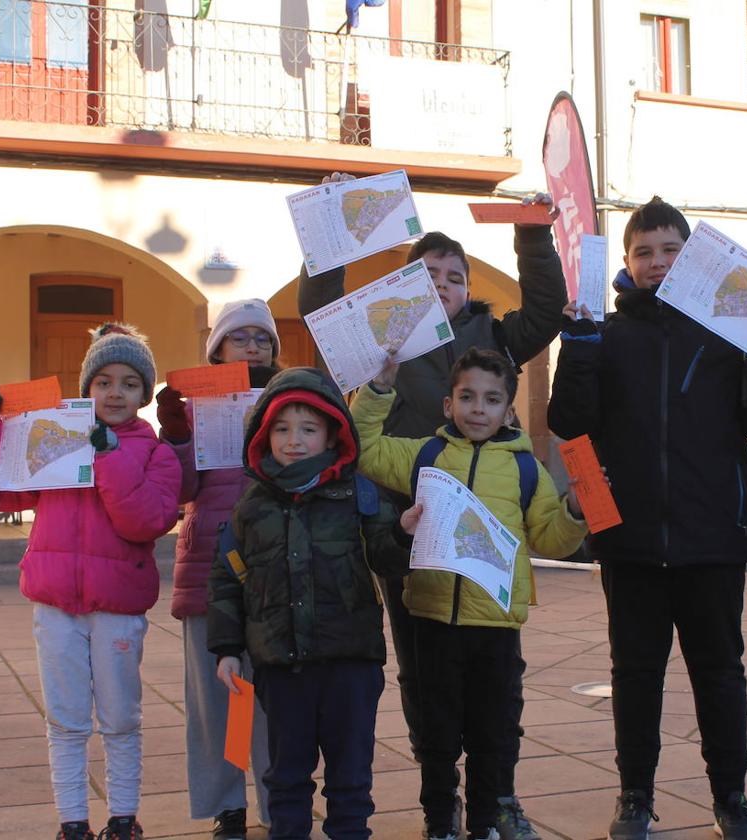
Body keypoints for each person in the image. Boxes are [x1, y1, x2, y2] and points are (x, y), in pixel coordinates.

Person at [298, 172, 569, 839]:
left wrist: (533, 231)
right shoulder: (381, 334)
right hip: (406, 530)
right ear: (409, 284)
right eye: (430, 273)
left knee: (496, 682)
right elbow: (319, 307)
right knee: (425, 674)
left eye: (454, 274)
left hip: (487, 538)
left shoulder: (494, 339)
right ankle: (439, 803)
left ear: (468, 287)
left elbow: (546, 308)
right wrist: (331, 227)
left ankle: (497, 799)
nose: (443, 283)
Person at [547, 197, 747, 840]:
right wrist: (576, 343)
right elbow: (568, 421)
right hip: (630, 540)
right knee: (635, 675)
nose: (657, 262)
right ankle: (635, 796)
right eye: (644, 252)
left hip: (711, 535)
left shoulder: (728, 331)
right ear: (627, 263)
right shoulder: (604, 334)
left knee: (719, 674)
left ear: (692, 258)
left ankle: (732, 798)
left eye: (671, 250)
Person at [351, 346, 589, 840]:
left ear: (508, 409)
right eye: (467, 397)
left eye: (491, 399)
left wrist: (574, 512)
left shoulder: (527, 471)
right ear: (448, 405)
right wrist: (378, 391)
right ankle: (440, 819)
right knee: (437, 733)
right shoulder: (425, 455)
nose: (478, 408)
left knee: (494, 734)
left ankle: (484, 821)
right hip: (432, 619)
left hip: (496, 628)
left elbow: (549, 538)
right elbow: (365, 447)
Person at [0, 324, 181, 840]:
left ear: (144, 395)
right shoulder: (53, 440)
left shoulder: (154, 453)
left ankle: (123, 816)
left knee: (121, 716)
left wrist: (108, 457)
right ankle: (72, 821)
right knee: (65, 718)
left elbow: (144, 521)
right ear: (87, 389)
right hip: (55, 602)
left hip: (117, 606)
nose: (115, 393)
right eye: (103, 381)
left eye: (129, 383)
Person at [206, 366, 412, 840]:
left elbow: (386, 557)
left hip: (350, 665)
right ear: (263, 434)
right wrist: (227, 648)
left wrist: (402, 533)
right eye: (281, 428)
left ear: (332, 433)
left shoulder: (359, 493)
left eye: (307, 428)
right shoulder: (252, 507)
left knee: (351, 777)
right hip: (282, 667)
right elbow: (226, 579)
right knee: (287, 777)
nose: (293, 439)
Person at [155, 299, 281, 839]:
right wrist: (177, 435)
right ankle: (226, 803)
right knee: (218, 699)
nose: (252, 345)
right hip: (209, 562)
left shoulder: (290, 396)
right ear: (217, 349)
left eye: (262, 337)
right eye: (240, 336)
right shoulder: (195, 406)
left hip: (277, 563)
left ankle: (281, 801)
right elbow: (181, 490)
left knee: (276, 698)